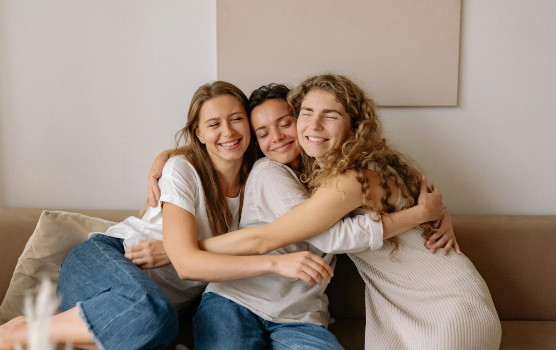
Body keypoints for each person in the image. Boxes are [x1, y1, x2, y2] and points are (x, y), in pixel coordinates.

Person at [0, 81, 335, 350]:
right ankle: (20, 332)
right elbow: (188, 264)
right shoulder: (184, 169)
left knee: (155, 325)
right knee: (151, 315)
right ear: (197, 134)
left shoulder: (259, 179)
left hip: (152, 313)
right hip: (106, 261)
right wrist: (274, 265)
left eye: (237, 119)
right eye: (214, 123)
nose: (228, 131)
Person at [142, 83, 457, 349]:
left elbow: (402, 188)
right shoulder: (268, 171)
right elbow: (331, 236)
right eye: (262, 132)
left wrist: (438, 212)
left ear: (303, 119)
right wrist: (417, 216)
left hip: (301, 315)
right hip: (235, 301)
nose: (276, 137)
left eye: (284, 122)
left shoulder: (333, 174)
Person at [208, 74, 502, 349]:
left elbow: (321, 236)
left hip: (446, 305)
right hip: (415, 302)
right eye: (307, 114)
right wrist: (422, 214)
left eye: (330, 116)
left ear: (354, 124)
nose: (313, 125)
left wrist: (186, 250)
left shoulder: (350, 177)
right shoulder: (329, 171)